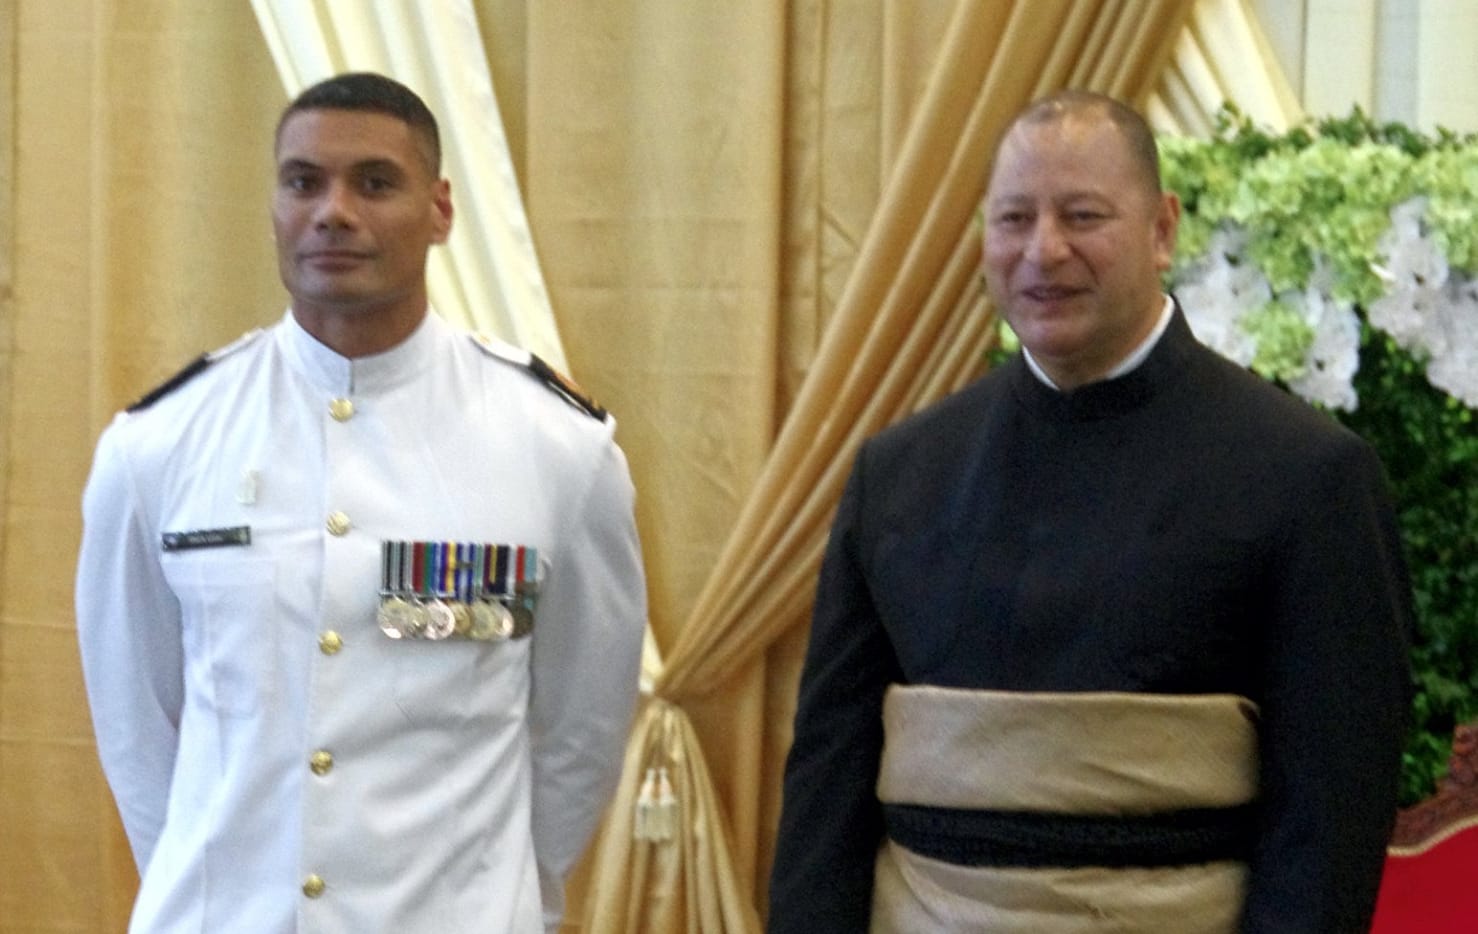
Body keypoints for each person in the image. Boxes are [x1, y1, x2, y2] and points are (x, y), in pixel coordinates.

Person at [767, 90, 1413, 932]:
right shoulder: (900, 473)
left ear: (1163, 229)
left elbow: (1325, 827)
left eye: (1083, 215)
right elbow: (828, 785)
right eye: (1013, 219)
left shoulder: (1306, 477)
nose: (1044, 250)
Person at [75, 72, 647, 934]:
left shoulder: (555, 450)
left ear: (441, 209)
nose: (333, 211)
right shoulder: (160, 445)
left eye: (374, 183)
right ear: (273, 203)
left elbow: (581, 731)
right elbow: (137, 729)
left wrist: (494, 897)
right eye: (303, 181)